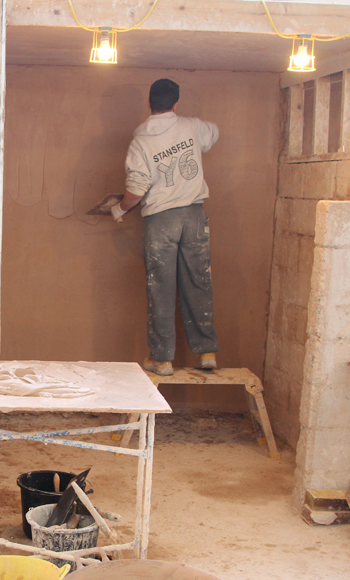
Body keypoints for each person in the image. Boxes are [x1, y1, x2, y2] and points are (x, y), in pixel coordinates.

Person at [111, 78, 220, 377]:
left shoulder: (141, 142)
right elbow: (213, 132)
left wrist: (119, 208)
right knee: (198, 283)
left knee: (160, 288)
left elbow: (136, 189)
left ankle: (162, 360)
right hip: (194, 216)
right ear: (175, 103)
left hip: (161, 220)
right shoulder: (192, 127)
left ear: (149, 103)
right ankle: (206, 352)